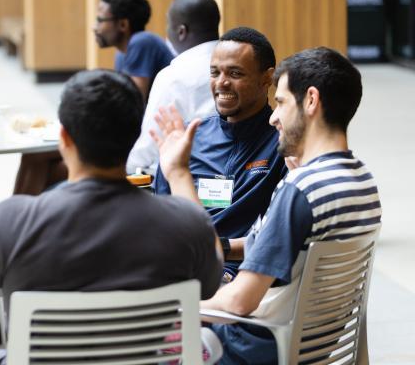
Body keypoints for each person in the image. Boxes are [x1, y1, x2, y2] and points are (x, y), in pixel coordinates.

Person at [0, 69, 223, 363]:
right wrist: (177, 173)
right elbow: (211, 279)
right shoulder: (185, 224)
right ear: (134, 138)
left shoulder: (10, 222)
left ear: (63, 139)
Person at [153, 47, 382, 364]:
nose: (274, 116)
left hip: (251, 348)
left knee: (143, 338)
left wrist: (172, 309)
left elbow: (238, 304)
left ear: (311, 101)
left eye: (282, 102)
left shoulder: (301, 191)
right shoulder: (361, 181)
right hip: (316, 346)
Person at [152, 26, 287, 280]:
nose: (221, 82)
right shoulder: (190, 137)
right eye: (215, 72)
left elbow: (281, 237)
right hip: (181, 269)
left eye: (235, 73)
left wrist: (219, 255)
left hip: (243, 276)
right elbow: (162, 216)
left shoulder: (283, 143)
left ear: (267, 78)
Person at [126, 0, 220, 173]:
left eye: (168, 24)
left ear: (181, 31)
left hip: (187, 178)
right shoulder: (239, 66)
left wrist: (125, 167)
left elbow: (150, 145)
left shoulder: (173, 76)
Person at [93, 0, 175, 99]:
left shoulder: (141, 42)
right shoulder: (121, 53)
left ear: (123, 25)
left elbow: (132, 103)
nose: (94, 27)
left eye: (100, 21)